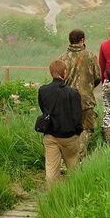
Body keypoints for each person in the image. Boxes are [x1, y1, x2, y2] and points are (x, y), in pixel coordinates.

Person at [37, 60, 83, 189]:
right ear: (65, 73)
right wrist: (77, 132)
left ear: (51, 73)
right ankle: (76, 194)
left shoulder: (43, 90)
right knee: (74, 168)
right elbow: (77, 117)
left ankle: (53, 198)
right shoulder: (73, 93)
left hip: (50, 136)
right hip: (70, 137)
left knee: (51, 169)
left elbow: (44, 109)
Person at [59, 29, 101, 160]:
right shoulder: (91, 56)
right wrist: (88, 87)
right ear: (82, 40)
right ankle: (78, 158)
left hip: (66, 101)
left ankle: (65, 160)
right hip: (85, 101)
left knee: (68, 131)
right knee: (87, 129)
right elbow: (98, 76)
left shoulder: (62, 58)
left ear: (69, 41)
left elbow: (58, 80)